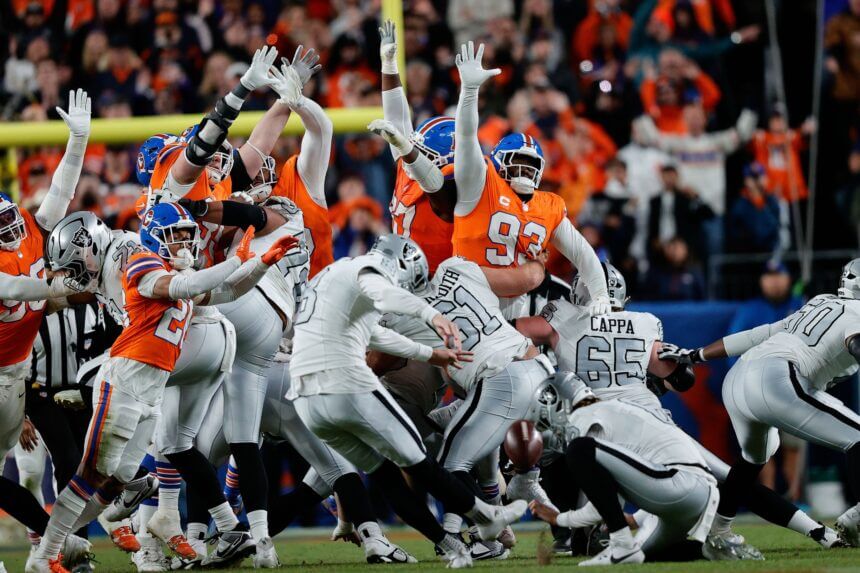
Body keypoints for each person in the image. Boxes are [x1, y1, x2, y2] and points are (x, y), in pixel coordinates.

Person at [28, 204, 296, 573]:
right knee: (93, 474)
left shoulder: (145, 261)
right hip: (127, 378)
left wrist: (260, 264)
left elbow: (220, 291)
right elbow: (185, 286)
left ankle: (65, 539)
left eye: (186, 236)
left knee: (118, 478)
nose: (183, 244)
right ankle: (47, 554)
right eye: (176, 236)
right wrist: (238, 262)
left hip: (150, 385)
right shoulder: (142, 262)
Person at [288, 234, 527, 568]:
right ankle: (486, 516)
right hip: (344, 383)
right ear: (400, 265)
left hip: (305, 399)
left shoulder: (332, 277)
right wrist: (431, 315)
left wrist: (430, 354)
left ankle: (451, 545)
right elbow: (384, 294)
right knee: (419, 461)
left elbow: (376, 335)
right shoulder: (367, 269)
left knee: (385, 474)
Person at [658, 258, 860, 555]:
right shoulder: (856, 312)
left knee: (749, 466)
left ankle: (720, 531)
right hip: (776, 377)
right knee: (856, 436)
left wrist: (697, 354)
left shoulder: (820, 302)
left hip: (740, 378)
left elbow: (759, 334)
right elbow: (855, 342)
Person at [381, 254, 550, 559]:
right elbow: (524, 280)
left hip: (501, 380)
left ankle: (484, 536)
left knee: (448, 465)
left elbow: (376, 361)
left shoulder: (401, 314)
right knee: (574, 452)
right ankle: (581, 530)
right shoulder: (456, 267)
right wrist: (538, 265)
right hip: (537, 366)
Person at [451, 41, 610, 320]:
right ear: (499, 162)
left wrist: (600, 294)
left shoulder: (548, 205)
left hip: (516, 307)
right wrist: (470, 91)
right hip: (467, 300)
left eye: (531, 165)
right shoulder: (481, 184)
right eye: (518, 162)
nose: (525, 170)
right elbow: (465, 137)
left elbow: (582, 253)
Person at [0, 90, 92, 568]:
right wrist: (57, 285)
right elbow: (15, 288)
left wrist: (77, 142)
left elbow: (61, 191)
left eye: (8, 217)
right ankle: (51, 540)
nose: (10, 227)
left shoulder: (32, 230)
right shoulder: (12, 266)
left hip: (15, 376)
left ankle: (49, 541)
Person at [529, 373, 719, 566]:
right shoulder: (614, 409)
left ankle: (622, 545)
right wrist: (635, 519)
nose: (552, 429)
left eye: (547, 418)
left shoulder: (586, 416)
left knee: (579, 449)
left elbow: (598, 509)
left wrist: (559, 518)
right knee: (643, 555)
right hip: (696, 496)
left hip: (677, 486)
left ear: (559, 404)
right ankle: (712, 550)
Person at [369, 19, 457, 276]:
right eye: (416, 148)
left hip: (443, 281)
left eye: (425, 154)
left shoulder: (456, 191)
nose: (414, 155)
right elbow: (397, 116)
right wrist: (388, 65)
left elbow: (437, 189)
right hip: (405, 268)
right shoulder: (409, 163)